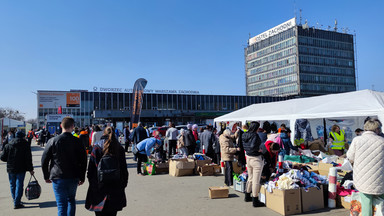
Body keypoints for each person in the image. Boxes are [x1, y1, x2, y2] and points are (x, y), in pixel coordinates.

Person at [41, 117, 87, 216]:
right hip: (73, 176)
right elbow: (83, 160)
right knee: (71, 200)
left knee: (62, 205)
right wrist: (82, 176)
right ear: (73, 127)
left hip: (58, 177)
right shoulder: (78, 141)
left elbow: (44, 160)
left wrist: (46, 175)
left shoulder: (52, 140)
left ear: (61, 126)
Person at [85, 127, 128, 216]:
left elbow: (91, 171)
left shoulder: (97, 148)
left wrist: (93, 184)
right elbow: (124, 170)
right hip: (115, 188)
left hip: (99, 189)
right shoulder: (119, 148)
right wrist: (123, 185)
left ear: (103, 134)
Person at [347, 119, 384, 216]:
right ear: (376, 129)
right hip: (379, 178)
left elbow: (350, 157)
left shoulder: (357, 140)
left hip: (362, 177)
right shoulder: (382, 141)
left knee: (366, 202)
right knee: (381, 202)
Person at [1, 130, 34, 209]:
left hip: (10, 168)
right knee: (19, 185)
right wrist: (30, 169)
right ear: (23, 136)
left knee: (12, 184)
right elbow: (28, 158)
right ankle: (17, 202)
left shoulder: (8, 144)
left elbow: (2, 157)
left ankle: (15, 199)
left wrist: (9, 160)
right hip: (21, 168)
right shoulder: (25, 144)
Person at [242, 121, 264, 207]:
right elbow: (253, 146)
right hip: (256, 159)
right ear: (256, 128)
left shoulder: (244, 134)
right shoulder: (255, 135)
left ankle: (247, 195)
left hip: (248, 157)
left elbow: (245, 146)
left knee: (250, 178)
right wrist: (259, 150)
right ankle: (255, 199)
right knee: (256, 180)